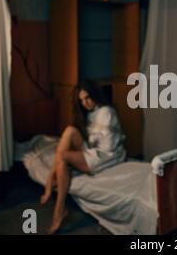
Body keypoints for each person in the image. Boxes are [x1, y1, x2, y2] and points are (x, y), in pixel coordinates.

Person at [41, 80, 126, 234]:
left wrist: (84, 150)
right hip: (94, 150)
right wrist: (85, 146)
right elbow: (92, 139)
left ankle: (58, 209)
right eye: (81, 100)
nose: (85, 103)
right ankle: (59, 207)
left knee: (63, 158)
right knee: (69, 131)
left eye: (87, 98)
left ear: (95, 95)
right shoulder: (91, 113)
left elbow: (108, 147)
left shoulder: (107, 112)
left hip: (106, 156)